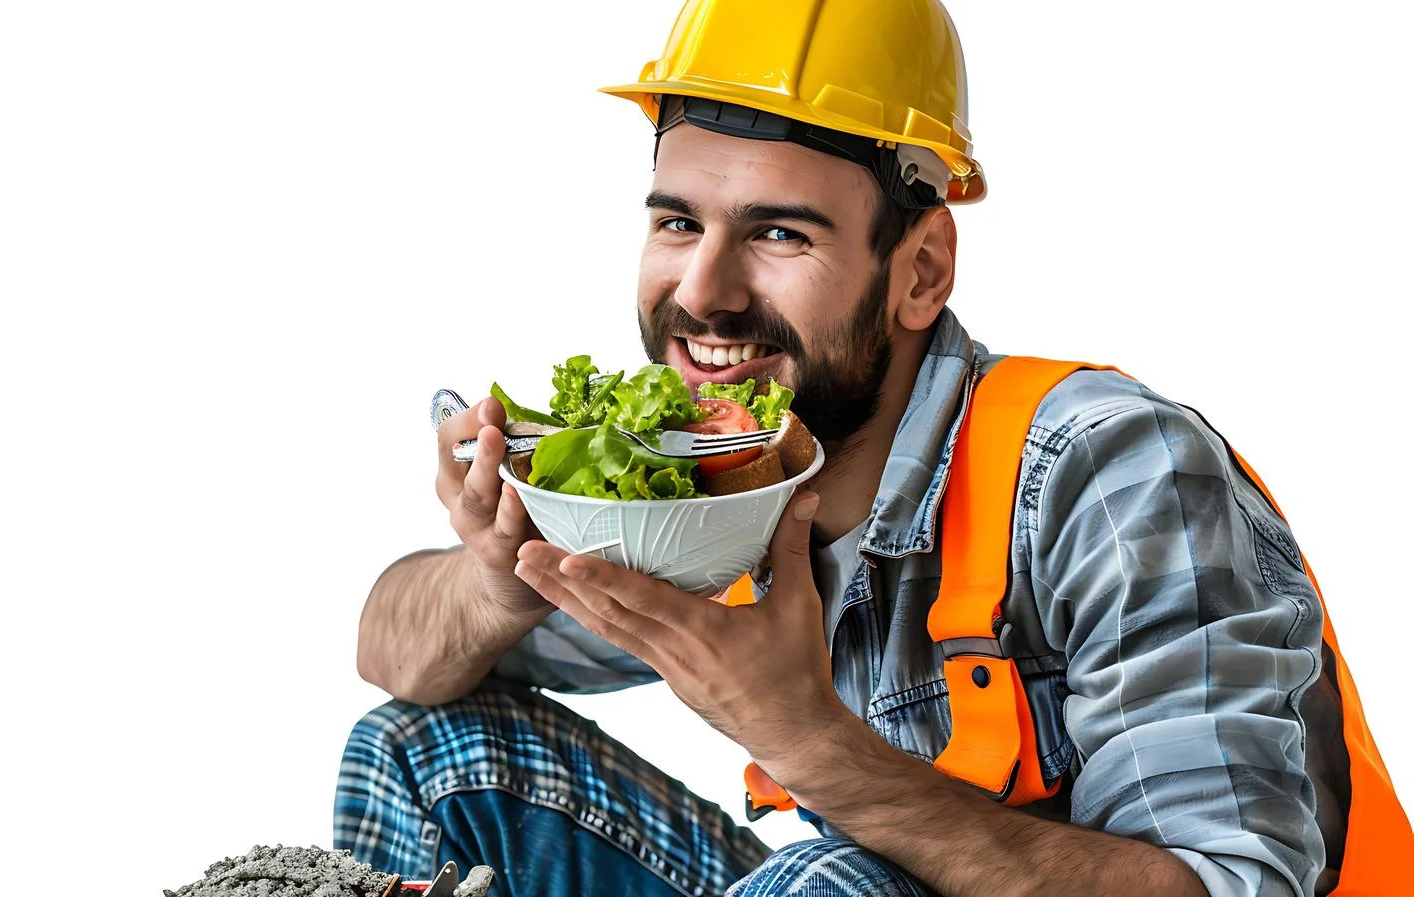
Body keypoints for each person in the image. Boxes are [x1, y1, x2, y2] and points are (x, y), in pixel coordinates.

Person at [335, 2, 1376, 894]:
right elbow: (389, 649)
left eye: (780, 234)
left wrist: (807, 741)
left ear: (920, 271)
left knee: (836, 881)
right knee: (423, 749)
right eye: (677, 223)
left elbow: (1223, 884)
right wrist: (503, 579)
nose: (703, 292)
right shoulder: (710, 489)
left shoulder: (1106, 473)